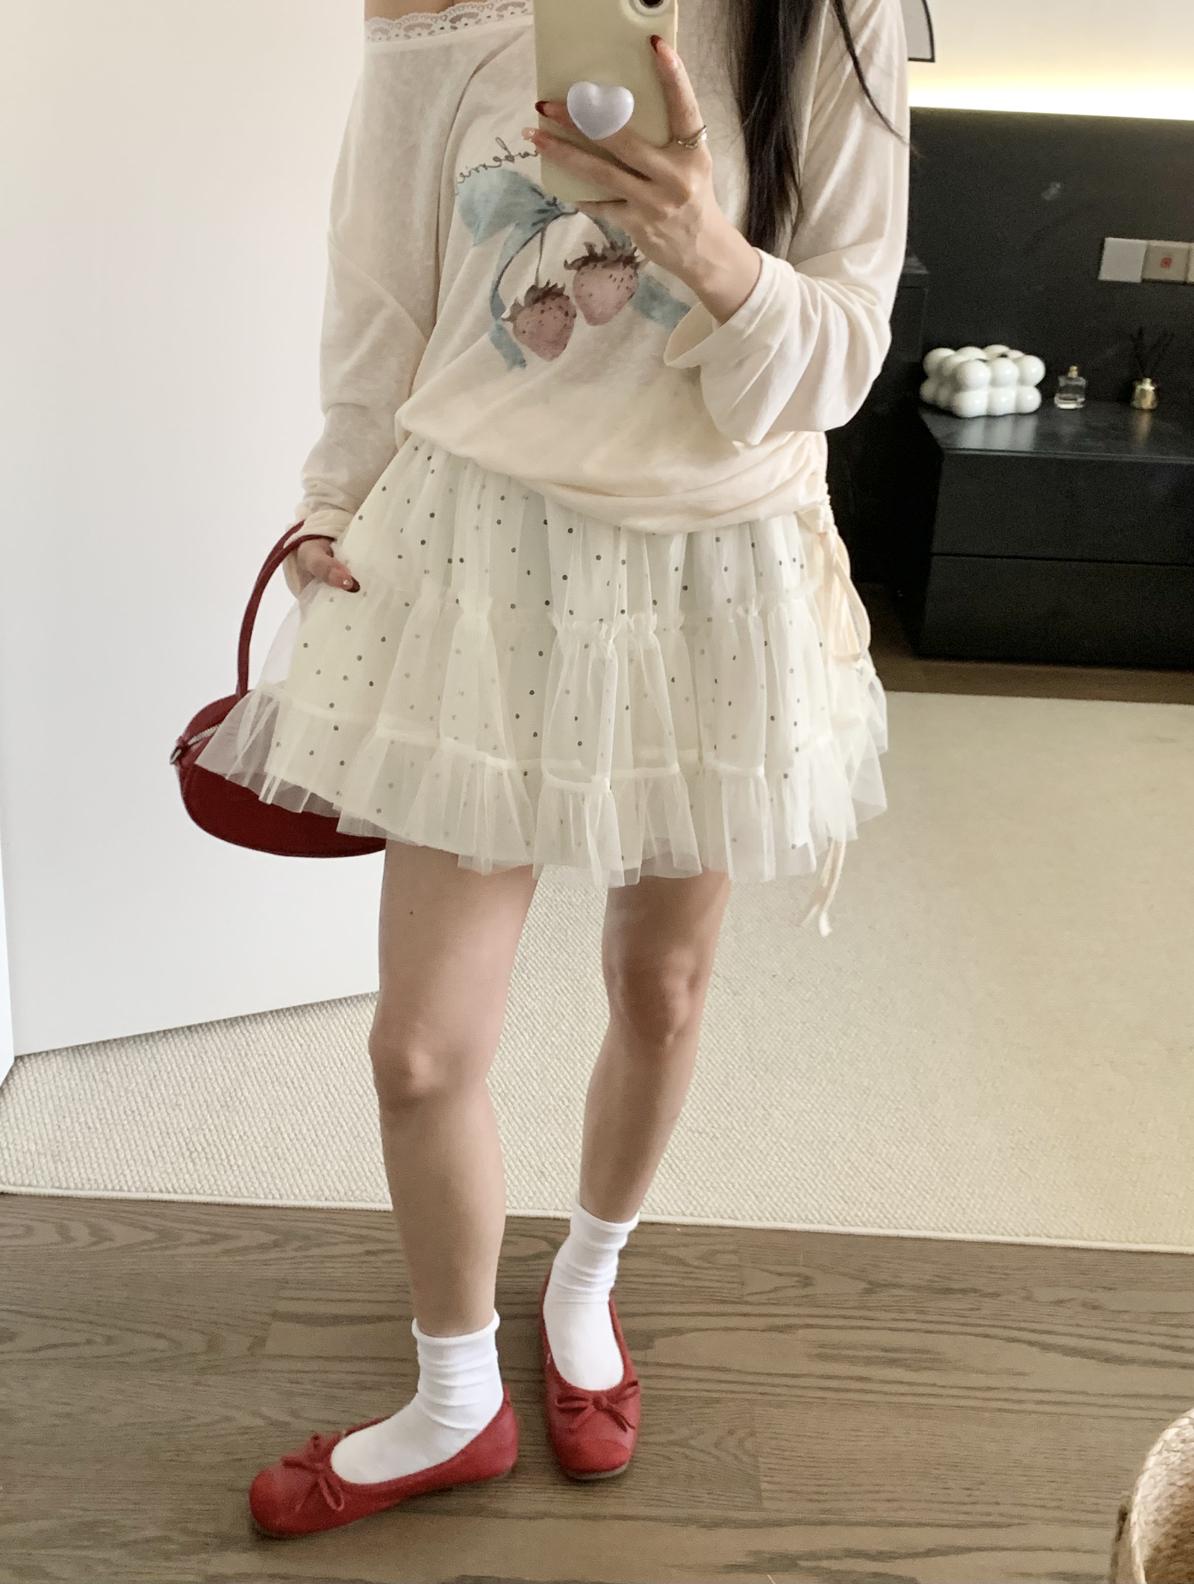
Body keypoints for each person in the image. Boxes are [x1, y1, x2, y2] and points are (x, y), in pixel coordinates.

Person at [196, 0, 909, 1539]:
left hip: (713, 570)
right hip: (477, 545)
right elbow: (379, 282)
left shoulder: (829, 21)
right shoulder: (438, 7)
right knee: (419, 1050)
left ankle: (584, 1285)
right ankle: (453, 1398)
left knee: (660, 989)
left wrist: (703, 245)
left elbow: (842, 354)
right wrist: (333, 495)